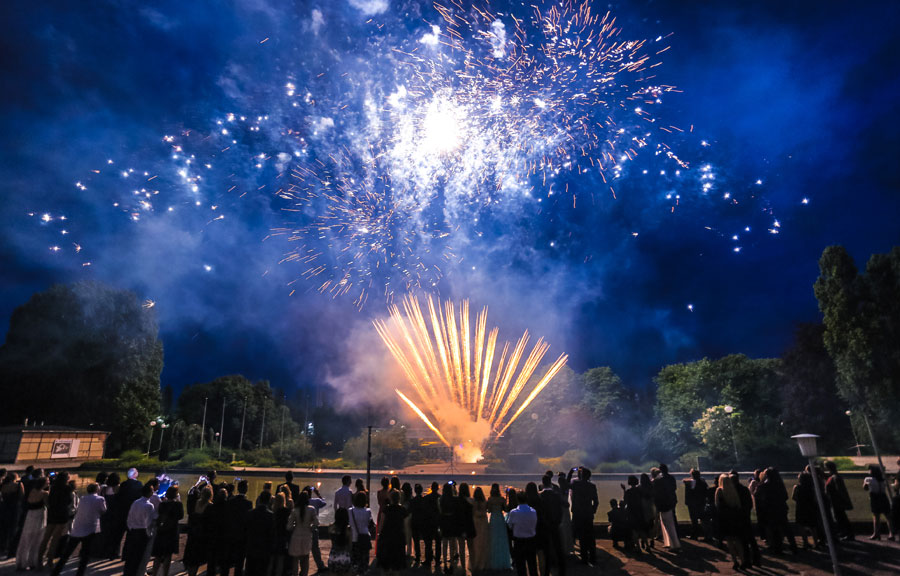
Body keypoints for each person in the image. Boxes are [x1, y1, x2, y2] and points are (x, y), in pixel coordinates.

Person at [49, 482, 106, 576]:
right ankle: (80, 573)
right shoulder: (100, 499)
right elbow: (103, 510)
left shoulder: (83, 498)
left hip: (78, 527)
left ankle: (56, 571)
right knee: (85, 555)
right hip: (90, 528)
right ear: (97, 490)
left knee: (67, 553)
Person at [755, 467, 796, 554]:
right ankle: (793, 545)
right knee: (786, 527)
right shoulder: (780, 485)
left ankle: (777, 547)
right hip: (781, 509)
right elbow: (785, 496)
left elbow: (758, 497)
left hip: (770, 511)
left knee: (774, 529)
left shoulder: (763, 486)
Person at [40, 471, 75, 565]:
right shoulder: (68, 488)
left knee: (46, 537)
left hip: (52, 513)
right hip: (62, 514)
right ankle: (50, 560)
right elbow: (69, 501)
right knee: (55, 539)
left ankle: (39, 559)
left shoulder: (54, 486)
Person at [16, 474, 48, 570]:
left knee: (26, 539)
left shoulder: (32, 491)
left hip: (30, 515)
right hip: (39, 516)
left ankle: (21, 561)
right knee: (37, 539)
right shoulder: (45, 493)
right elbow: (48, 504)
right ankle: (33, 561)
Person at [123, 484, 156, 576]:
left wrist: (130, 527)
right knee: (139, 555)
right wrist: (149, 533)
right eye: (152, 491)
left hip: (133, 530)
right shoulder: (149, 505)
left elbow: (129, 516)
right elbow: (150, 521)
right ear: (149, 493)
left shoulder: (136, 502)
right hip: (142, 531)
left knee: (131, 554)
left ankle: (128, 572)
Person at [150, 486, 184, 576]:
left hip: (162, 530)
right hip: (172, 531)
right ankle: (165, 573)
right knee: (168, 555)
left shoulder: (162, 504)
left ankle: (154, 573)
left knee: (158, 555)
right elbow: (181, 516)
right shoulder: (178, 505)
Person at [568, 467, 598, 565]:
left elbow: (566, 485)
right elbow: (596, 502)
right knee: (590, 535)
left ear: (580, 475)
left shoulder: (575, 484)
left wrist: (570, 472)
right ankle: (593, 557)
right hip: (588, 513)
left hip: (578, 513)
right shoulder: (592, 486)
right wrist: (592, 510)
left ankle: (584, 557)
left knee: (581, 536)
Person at [715, 473, 746, 570]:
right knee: (738, 541)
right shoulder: (733, 491)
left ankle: (735, 561)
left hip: (725, 519)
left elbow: (718, 506)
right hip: (735, 519)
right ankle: (743, 560)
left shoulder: (719, 491)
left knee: (729, 542)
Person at [507, 488, 538, 576]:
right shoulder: (533, 511)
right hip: (531, 540)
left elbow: (509, 525)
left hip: (519, 541)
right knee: (532, 565)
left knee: (521, 568)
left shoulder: (514, 512)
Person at [287, 491, 319, 576]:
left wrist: (295, 527)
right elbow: (316, 522)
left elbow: (289, 526)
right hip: (307, 536)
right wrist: (310, 526)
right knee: (305, 559)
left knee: (295, 560)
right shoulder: (311, 509)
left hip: (296, 536)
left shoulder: (294, 510)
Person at [182, 486, 211, 576]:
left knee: (192, 556)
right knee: (198, 558)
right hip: (202, 535)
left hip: (193, 533)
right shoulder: (210, 506)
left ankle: (190, 572)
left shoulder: (196, 503)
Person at [244, 490, 274, 576]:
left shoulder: (250, 513)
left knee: (250, 570)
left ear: (260, 499)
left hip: (252, 546)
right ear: (269, 501)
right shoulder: (271, 516)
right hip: (264, 548)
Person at [538, 476, 563, 576]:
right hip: (555, 524)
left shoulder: (539, 496)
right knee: (558, 547)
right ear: (550, 483)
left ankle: (546, 571)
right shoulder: (556, 495)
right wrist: (558, 521)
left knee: (545, 549)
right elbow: (560, 510)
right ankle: (561, 569)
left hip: (544, 526)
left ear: (543, 483)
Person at [377, 490, 408, 573]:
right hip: (398, 537)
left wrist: (379, 534)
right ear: (399, 499)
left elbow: (381, 523)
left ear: (390, 498)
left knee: (385, 565)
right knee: (396, 566)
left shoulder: (386, 509)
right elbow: (405, 526)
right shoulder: (403, 510)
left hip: (387, 537)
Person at [652, 464, 680, 552]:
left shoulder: (658, 480)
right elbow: (674, 488)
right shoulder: (671, 478)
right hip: (671, 501)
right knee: (669, 522)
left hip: (663, 504)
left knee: (667, 523)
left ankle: (674, 545)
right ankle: (670, 543)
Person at [824, 461, 854, 541]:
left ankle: (848, 534)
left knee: (841, 518)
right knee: (840, 517)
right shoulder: (834, 476)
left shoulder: (835, 478)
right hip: (835, 501)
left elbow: (840, 490)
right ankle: (845, 533)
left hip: (837, 502)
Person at [863, 464, 894, 540]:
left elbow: (865, 488)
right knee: (888, 516)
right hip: (883, 497)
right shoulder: (883, 479)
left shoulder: (868, 479)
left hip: (875, 498)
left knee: (876, 517)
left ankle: (876, 533)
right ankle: (891, 533)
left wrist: (865, 483)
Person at [304, 485, 329, 573]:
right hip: (313, 527)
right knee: (315, 548)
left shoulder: (301, 503)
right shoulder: (316, 501)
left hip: (304, 528)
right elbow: (324, 503)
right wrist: (318, 494)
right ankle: (320, 565)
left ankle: (303, 568)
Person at [623, 476, 651, 552]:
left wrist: (624, 490)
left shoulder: (628, 492)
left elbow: (625, 501)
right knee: (642, 530)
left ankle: (638, 547)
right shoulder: (639, 491)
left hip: (632, 512)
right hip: (640, 512)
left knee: (634, 531)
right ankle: (647, 545)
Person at [486, 484, 511, 570]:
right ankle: (503, 560)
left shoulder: (490, 499)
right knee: (502, 539)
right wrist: (507, 497)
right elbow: (506, 509)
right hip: (500, 519)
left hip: (493, 519)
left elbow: (489, 510)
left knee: (493, 539)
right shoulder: (502, 499)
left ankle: (493, 561)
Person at [439, 482, 461, 574]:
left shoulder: (440, 499)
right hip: (452, 521)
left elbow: (440, 512)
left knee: (444, 544)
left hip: (444, 521)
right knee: (452, 544)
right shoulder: (455, 499)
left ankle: (444, 564)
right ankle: (451, 563)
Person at [793, 471, 819, 549]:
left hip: (800, 507)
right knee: (813, 526)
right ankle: (816, 543)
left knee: (801, 526)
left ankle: (805, 543)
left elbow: (794, 497)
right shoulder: (812, 487)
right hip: (810, 507)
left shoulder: (797, 487)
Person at [349, 491, 373, 574]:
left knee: (354, 562)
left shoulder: (350, 511)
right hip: (365, 537)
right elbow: (370, 524)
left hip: (354, 538)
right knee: (364, 562)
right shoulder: (368, 511)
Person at [0, 472, 23, 555]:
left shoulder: (4, 486)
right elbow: (21, 496)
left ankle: (3, 546)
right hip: (15, 507)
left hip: (5, 507)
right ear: (16, 477)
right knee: (14, 527)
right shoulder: (18, 485)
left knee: (5, 528)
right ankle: (11, 547)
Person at [271, 492, 292, 576]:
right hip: (282, 537)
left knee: (271, 559)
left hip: (273, 537)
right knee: (281, 559)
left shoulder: (272, 511)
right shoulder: (286, 511)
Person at [684, 469, 709, 540]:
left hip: (692, 504)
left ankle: (694, 535)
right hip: (701, 503)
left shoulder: (690, 482)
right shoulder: (703, 482)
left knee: (694, 520)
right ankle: (707, 535)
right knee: (703, 520)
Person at [471, 487, 490, 573]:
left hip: (475, 522)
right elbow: (488, 510)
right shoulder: (485, 502)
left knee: (475, 543)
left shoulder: (473, 502)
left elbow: (472, 512)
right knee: (483, 543)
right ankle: (483, 563)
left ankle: (475, 563)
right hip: (483, 522)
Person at [328, 507, 353, 573]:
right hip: (345, 557)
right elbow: (350, 546)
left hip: (333, 556)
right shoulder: (348, 529)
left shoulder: (331, 527)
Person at [424, 482, 442, 567]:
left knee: (428, 543)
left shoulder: (426, 498)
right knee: (438, 543)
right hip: (438, 522)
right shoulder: (440, 498)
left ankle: (428, 559)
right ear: (438, 488)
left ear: (431, 488)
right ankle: (438, 560)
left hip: (428, 522)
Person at [556, 472, 574, 557]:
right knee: (567, 527)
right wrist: (570, 472)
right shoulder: (566, 488)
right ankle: (568, 547)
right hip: (565, 510)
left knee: (563, 528)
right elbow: (567, 481)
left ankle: (564, 547)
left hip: (561, 510)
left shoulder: (559, 490)